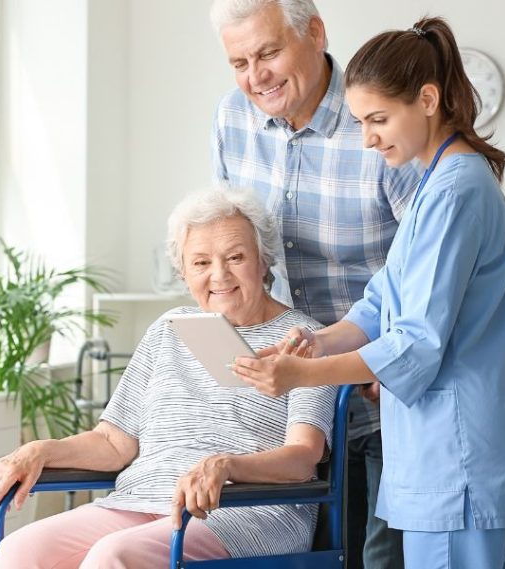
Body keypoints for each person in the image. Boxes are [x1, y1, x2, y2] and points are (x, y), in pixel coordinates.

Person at [231, 16, 505, 569]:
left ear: (427, 100)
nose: (369, 138)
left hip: (460, 464)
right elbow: (382, 301)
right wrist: (314, 342)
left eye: (378, 119)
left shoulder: (455, 193)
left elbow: (415, 344)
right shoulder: (440, 186)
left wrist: (300, 377)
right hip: (480, 460)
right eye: (359, 122)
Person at [0, 188, 337, 568]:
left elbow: (303, 458)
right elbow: (113, 442)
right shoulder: (169, 330)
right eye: (200, 263)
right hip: (140, 501)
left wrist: (228, 466)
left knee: (113, 556)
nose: (219, 275)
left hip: (244, 510)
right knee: (19, 551)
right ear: (183, 272)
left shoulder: (305, 340)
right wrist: (39, 450)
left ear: (263, 261)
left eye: (235, 257)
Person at [209, 1, 422, 566]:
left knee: (378, 556)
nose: (256, 77)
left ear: (317, 34)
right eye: (239, 62)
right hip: (288, 404)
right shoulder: (233, 120)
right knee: (309, 553)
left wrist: (386, 361)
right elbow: (239, 249)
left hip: (381, 392)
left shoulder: (375, 120)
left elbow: (424, 265)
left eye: (269, 52)